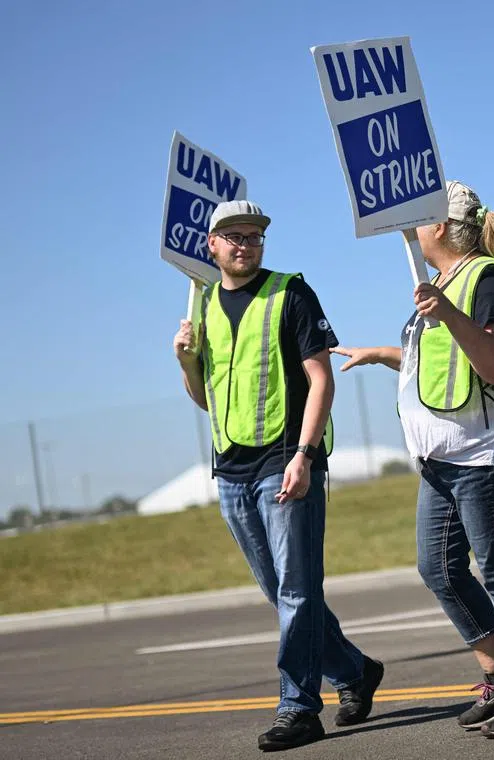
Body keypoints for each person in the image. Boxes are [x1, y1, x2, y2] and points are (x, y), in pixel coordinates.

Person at [331, 180, 494, 739]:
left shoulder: (489, 279)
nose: (411, 228)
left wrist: (451, 315)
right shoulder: (442, 283)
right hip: (441, 457)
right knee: (438, 568)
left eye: (419, 219)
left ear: (439, 226)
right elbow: (441, 362)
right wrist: (383, 354)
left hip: (487, 454)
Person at [173, 200, 383, 752]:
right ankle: (355, 671)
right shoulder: (203, 307)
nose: (246, 245)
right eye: (235, 237)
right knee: (281, 591)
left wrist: (305, 456)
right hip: (231, 469)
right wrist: (186, 362)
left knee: (296, 589)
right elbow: (207, 398)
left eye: (255, 236)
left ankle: (298, 708)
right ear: (212, 245)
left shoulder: (291, 293)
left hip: (286, 461)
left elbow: (321, 379)